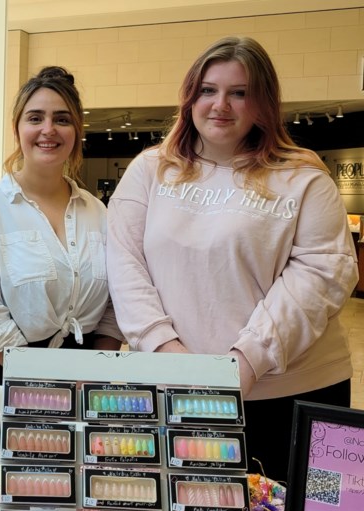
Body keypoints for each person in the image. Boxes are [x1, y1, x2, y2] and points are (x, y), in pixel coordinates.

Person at [106, 36, 358, 483]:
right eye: (208, 90)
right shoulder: (150, 169)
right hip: (176, 387)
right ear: (190, 99)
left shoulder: (302, 176)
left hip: (293, 392)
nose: (220, 104)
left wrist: (246, 361)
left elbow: (322, 274)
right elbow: (125, 263)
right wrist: (166, 351)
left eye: (239, 92)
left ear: (263, 104)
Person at [0, 66, 122, 484]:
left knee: (67, 502)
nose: (49, 129)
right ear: (18, 129)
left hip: (80, 378)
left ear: (77, 130)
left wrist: (94, 378)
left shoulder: (98, 213)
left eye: (62, 118)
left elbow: (113, 305)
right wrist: (47, 393)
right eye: (36, 117)